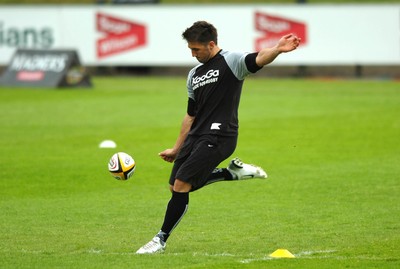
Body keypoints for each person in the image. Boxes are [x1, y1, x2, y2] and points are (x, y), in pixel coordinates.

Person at [136, 21, 301, 254]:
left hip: (221, 134)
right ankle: (229, 173)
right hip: (196, 136)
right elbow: (190, 116)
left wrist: (276, 49)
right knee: (175, 187)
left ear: (211, 44)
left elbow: (259, 58)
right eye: (190, 50)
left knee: (183, 184)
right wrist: (176, 148)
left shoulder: (231, 61)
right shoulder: (193, 75)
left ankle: (160, 240)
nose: (193, 54)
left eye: (196, 49)